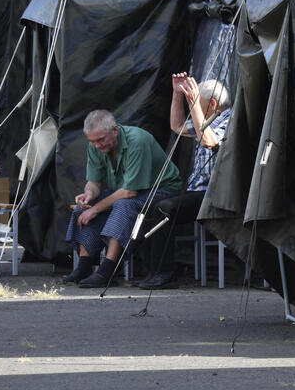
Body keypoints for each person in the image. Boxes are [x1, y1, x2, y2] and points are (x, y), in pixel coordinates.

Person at [63, 109, 183, 288]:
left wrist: (96, 209)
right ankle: (84, 266)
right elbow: (94, 182)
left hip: (161, 190)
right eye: (92, 141)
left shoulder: (138, 141)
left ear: (115, 130)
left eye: (101, 140)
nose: (97, 145)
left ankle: (108, 270)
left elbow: (130, 192)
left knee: (123, 205)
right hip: (125, 191)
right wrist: (89, 195)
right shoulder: (96, 145)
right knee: (84, 208)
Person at [137, 73, 231, 290]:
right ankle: (152, 271)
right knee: (150, 205)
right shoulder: (207, 118)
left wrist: (194, 102)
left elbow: (209, 141)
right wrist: (177, 95)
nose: (193, 108)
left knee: (163, 209)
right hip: (196, 191)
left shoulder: (229, 119)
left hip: (215, 194)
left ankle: (165, 274)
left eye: (198, 103)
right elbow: (177, 126)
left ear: (213, 104)